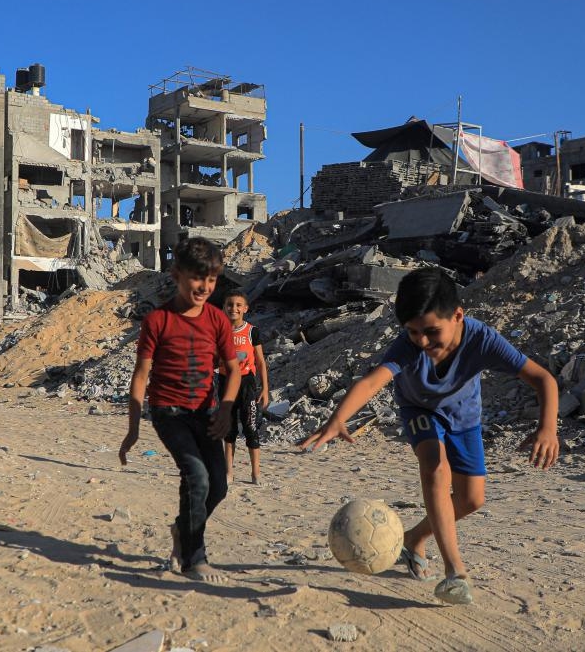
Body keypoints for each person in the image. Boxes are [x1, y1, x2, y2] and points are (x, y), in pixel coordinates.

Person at [300, 268, 559, 605]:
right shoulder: (407, 346)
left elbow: (543, 379)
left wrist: (548, 427)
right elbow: (371, 381)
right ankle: (456, 573)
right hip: (419, 410)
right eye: (412, 332)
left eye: (432, 332)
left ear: (458, 316)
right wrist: (338, 418)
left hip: (464, 418)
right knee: (435, 470)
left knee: (471, 500)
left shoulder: (482, 340)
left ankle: (413, 538)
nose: (422, 341)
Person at [119, 237, 240, 584]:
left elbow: (232, 370)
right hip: (167, 412)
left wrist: (227, 409)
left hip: (206, 413)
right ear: (176, 275)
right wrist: (133, 429)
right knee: (196, 476)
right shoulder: (158, 320)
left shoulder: (217, 320)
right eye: (197, 278)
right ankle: (194, 559)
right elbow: (141, 376)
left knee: (218, 485)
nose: (204, 287)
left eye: (212, 280)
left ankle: (182, 529)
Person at [220, 291, 270, 485]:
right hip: (226, 382)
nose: (234, 308)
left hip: (247, 384)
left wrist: (264, 389)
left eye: (238, 305)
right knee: (229, 429)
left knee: (250, 427)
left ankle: (255, 473)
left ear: (245, 308)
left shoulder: (252, 331)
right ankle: (228, 473)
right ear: (224, 307)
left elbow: (260, 361)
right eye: (230, 305)